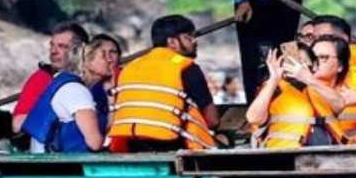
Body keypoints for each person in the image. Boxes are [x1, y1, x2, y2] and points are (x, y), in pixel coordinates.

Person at [105, 15, 221, 151]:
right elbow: (212, 120)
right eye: (188, 37)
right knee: (222, 140)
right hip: (174, 146)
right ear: (172, 42)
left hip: (132, 146)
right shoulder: (187, 67)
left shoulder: (129, 68)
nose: (194, 41)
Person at [246, 37, 351, 147]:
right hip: (285, 156)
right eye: (290, 63)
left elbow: (339, 105)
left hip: (321, 157)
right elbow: (253, 118)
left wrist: (308, 78)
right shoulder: (274, 89)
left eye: (302, 63)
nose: (296, 68)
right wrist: (274, 79)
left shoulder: (318, 89)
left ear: (314, 66)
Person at [21, 42, 105, 153]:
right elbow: (95, 143)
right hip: (60, 164)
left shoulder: (63, 82)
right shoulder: (77, 91)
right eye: (103, 57)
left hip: (46, 159)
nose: (109, 61)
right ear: (88, 64)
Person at [11, 22, 89, 134]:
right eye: (52, 45)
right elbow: (17, 124)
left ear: (79, 50)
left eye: (62, 46)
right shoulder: (42, 77)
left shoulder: (95, 75)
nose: (53, 51)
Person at [80, 33, 122, 133]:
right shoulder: (76, 88)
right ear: (89, 60)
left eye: (113, 52)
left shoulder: (121, 83)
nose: (109, 59)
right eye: (103, 54)